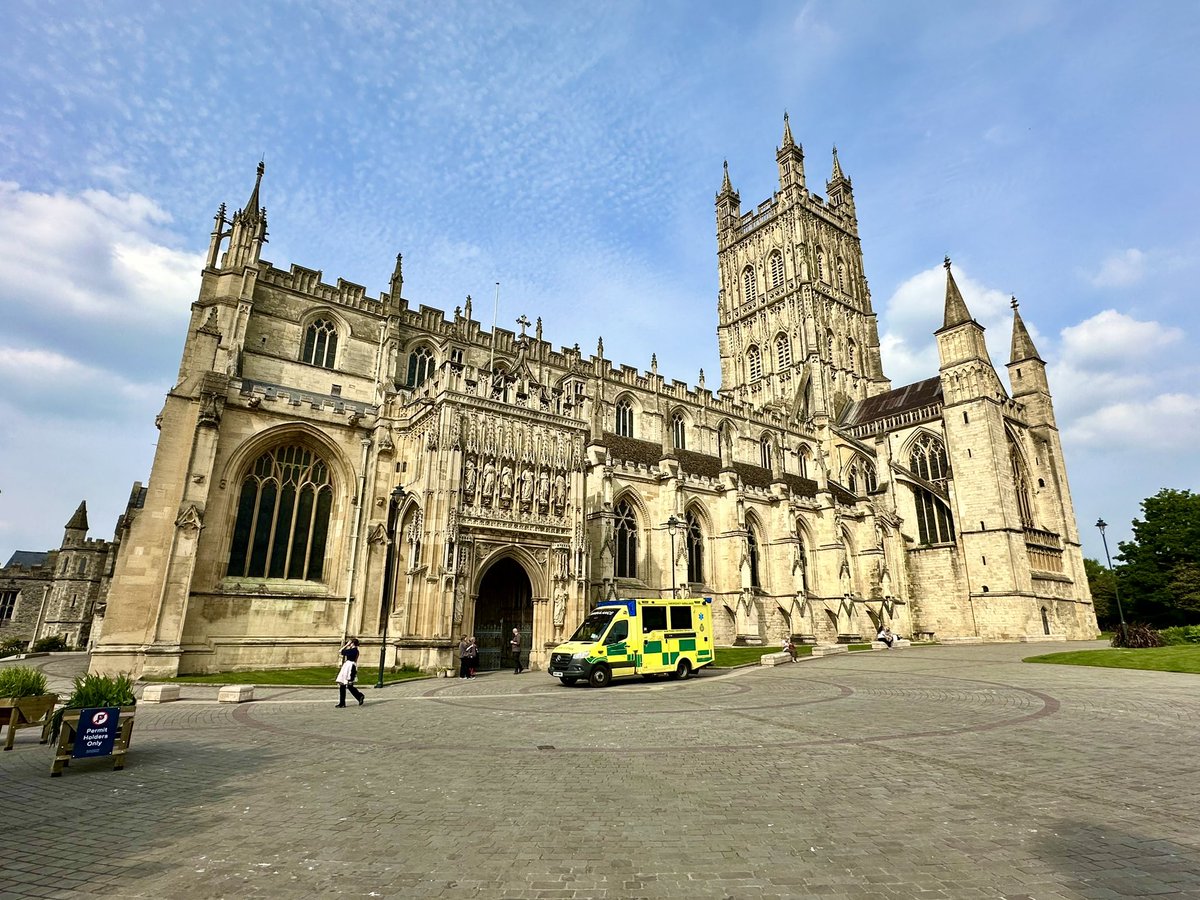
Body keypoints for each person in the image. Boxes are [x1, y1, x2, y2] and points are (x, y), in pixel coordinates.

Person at [335, 638, 365, 707]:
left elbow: (341, 651)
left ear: (353, 643)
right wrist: (347, 645)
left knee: (349, 685)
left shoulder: (354, 650)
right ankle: (343, 702)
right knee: (343, 684)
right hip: (347, 666)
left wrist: (346, 645)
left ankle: (359, 696)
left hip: (350, 667)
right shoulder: (353, 650)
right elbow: (341, 652)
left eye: (350, 643)